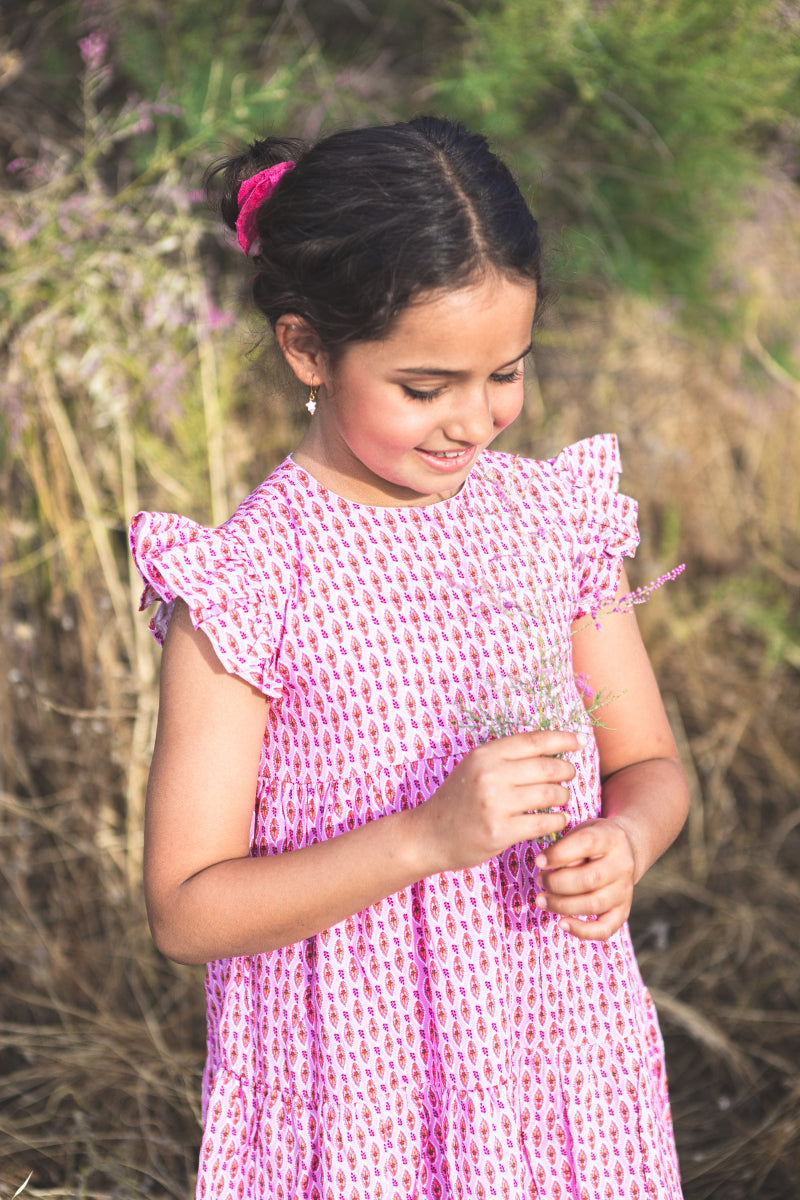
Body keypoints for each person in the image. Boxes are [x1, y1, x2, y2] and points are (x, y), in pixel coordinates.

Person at [130, 116, 689, 1200]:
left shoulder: (549, 522)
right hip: (360, 1093)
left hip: (554, 1056)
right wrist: (427, 838)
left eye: (505, 375)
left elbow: (650, 764)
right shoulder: (252, 585)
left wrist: (626, 838)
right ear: (306, 350)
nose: (472, 421)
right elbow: (186, 908)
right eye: (423, 387)